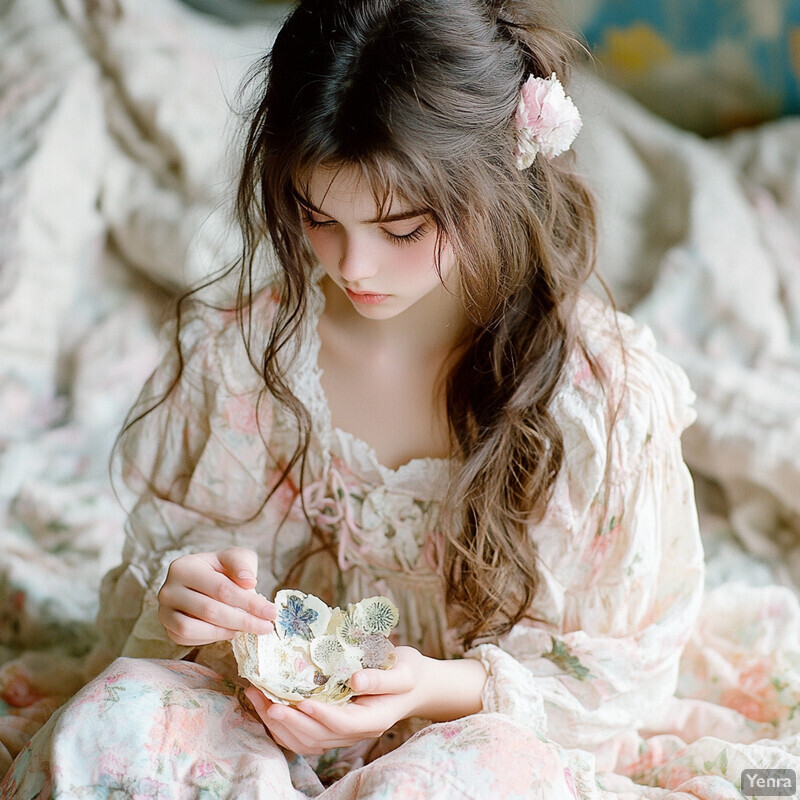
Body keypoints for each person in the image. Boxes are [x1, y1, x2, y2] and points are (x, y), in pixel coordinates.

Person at [1, 0, 707, 797]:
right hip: (260, 720)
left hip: (474, 736)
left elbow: (616, 676)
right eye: (317, 217)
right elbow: (179, 578)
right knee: (121, 725)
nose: (353, 265)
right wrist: (190, 598)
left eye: (401, 229)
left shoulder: (593, 397)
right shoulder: (242, 354)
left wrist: (431, 688)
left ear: (501, 178)